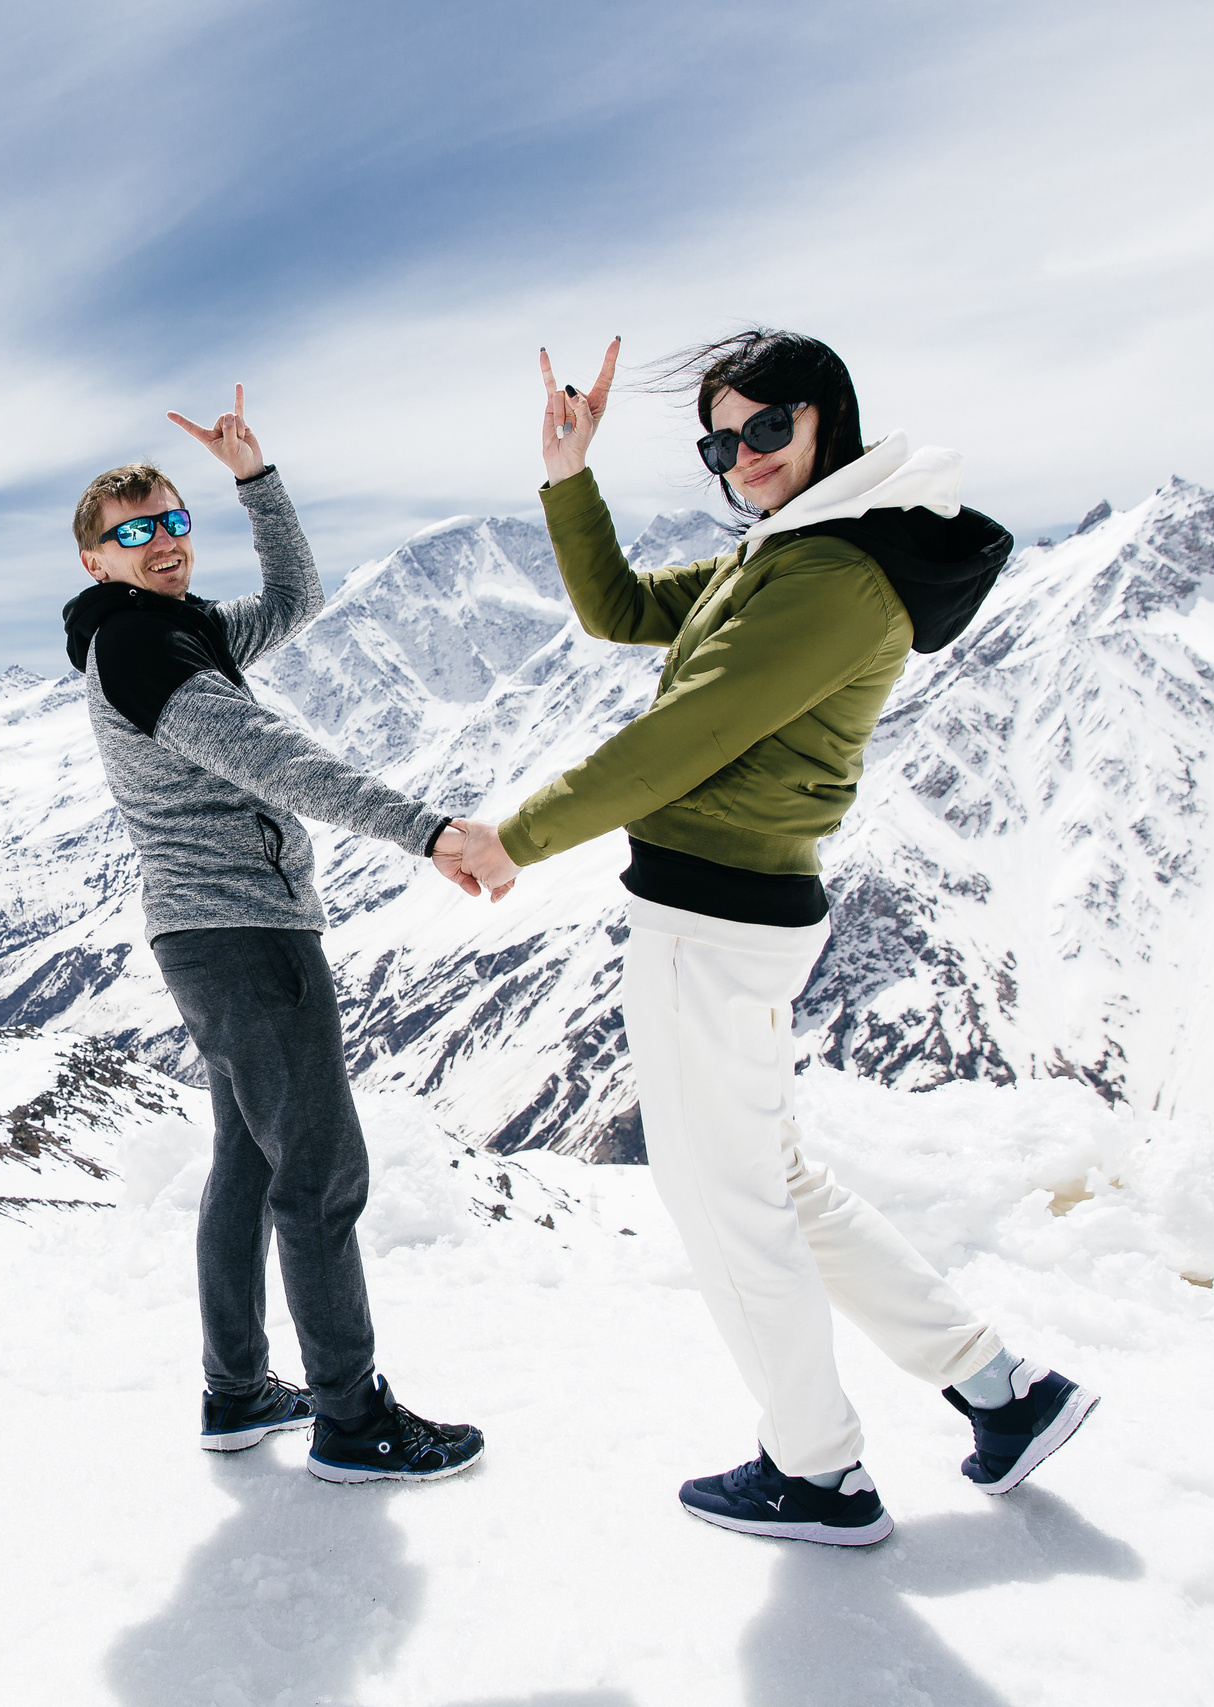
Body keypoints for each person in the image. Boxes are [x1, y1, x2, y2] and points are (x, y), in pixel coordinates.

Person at [447, 331, 1098, 1545]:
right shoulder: (790, 551)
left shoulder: (833, 578)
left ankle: (817, 1474)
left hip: (711, 920)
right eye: (719, 440)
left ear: (827, 421)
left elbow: (679, 742)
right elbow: (622, 610)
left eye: (763, 429)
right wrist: (568, 476)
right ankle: (1001, 1390)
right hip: (732, 910)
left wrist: (513, 838)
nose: (740, 458)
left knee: (723, 1201)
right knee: (776, 1182)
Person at [63, 385, 484, 1484]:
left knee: (249, 1164)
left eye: (173, 523)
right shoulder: (148, 654)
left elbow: (295, 595)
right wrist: (424, 831)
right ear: (95, 559)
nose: (163, 545)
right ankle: (351, 1419)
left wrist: (254, 479)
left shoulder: (173, 630)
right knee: (321, 1175)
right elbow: (278, 763)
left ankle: (238, 1388)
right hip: (246, 935)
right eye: (135, 534)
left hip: (209, 932)